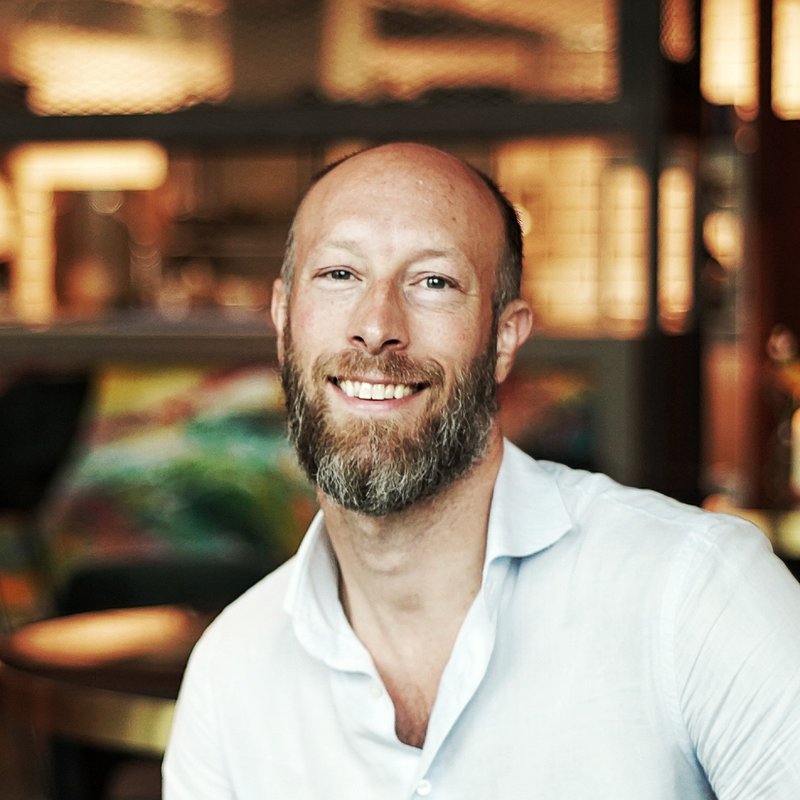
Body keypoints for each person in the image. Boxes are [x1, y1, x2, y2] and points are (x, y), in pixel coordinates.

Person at [163, 143, 800, 799]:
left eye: (433, 282)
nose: (376, 326)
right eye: (339, 274)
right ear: (282, 320)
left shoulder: (695, 592)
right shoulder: (232, 672)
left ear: (504, 338)